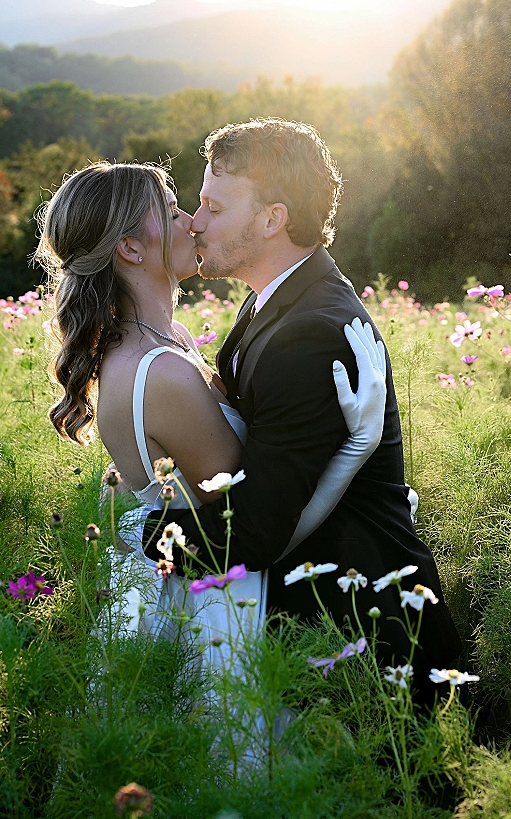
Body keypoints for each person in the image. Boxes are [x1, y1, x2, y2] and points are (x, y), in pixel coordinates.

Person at [144, 118, 461, 690]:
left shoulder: (310, 332)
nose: (195, 223)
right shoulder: (280, 302)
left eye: (215, 208)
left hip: (356, 629)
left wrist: (144, 530)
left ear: (272, 218)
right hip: (311, 610)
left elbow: (256, 531)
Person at [34, 160, 386, 671]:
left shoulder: (168, 342)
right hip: (222, 606)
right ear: (131, 249)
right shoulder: (159, 374)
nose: (193, 222)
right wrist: (355, 451)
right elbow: (254, 529)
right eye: (174, 211)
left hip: (217, 579)